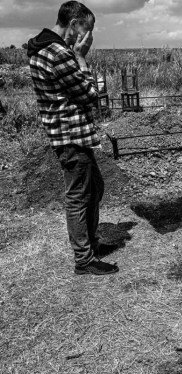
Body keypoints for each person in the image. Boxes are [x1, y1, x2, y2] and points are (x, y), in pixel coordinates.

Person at [27, 1, 119, 275]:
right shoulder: (59, 53)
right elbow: (90, 96)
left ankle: (90, 244)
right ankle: (84, 258)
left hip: (67, 133)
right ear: (75, 24)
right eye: (88, 29)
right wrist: (81, 58)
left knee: (95, 187)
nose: (89, 37)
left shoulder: (41, 47)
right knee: (79, 196)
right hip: (71, 135)